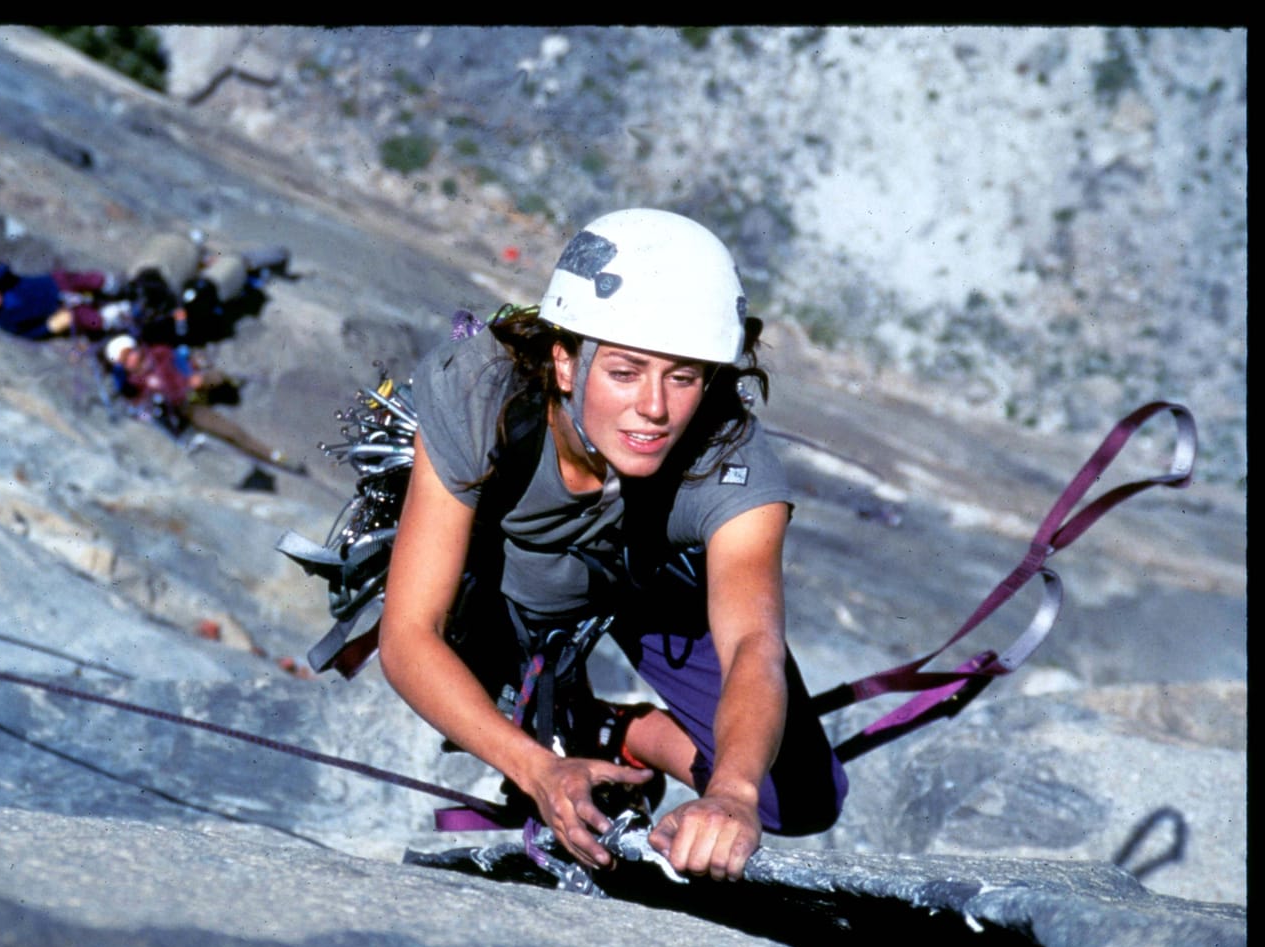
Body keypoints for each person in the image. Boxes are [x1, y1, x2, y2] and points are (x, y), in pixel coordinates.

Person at [377, 208, 847, 882]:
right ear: (565, 363)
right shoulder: (477, 396)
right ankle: (588, 728)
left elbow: (753, 644)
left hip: (641, 578)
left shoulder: (734, 463)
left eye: (683, 377)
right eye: (625, 372)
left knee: (798, 801)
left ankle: (620, 732)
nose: (654, 409)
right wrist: (540, 771)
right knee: (491, 690)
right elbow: (409, 635)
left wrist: (732, 795)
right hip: (509, 583)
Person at [102, 334, 305, 475]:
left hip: (196, 383)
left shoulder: (159, 353)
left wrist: (193, 374)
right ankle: (276, 457)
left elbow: (184, 361)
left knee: (215, 375)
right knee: (231, 433)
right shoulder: (136, 385)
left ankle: (238, 380)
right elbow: (148, 407)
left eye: (130, 353)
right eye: (124, 359)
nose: (130, 359)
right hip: (187, 405)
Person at [0, 261, 131, 340]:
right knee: (93, 320)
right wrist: (50, 326)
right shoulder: (3, 319)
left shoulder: (5, 279)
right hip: (59, 309)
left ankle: (117, 286)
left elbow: (2, 268)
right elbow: (27, 333)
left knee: (91, 280)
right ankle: (122, 315)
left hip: (56, 284)